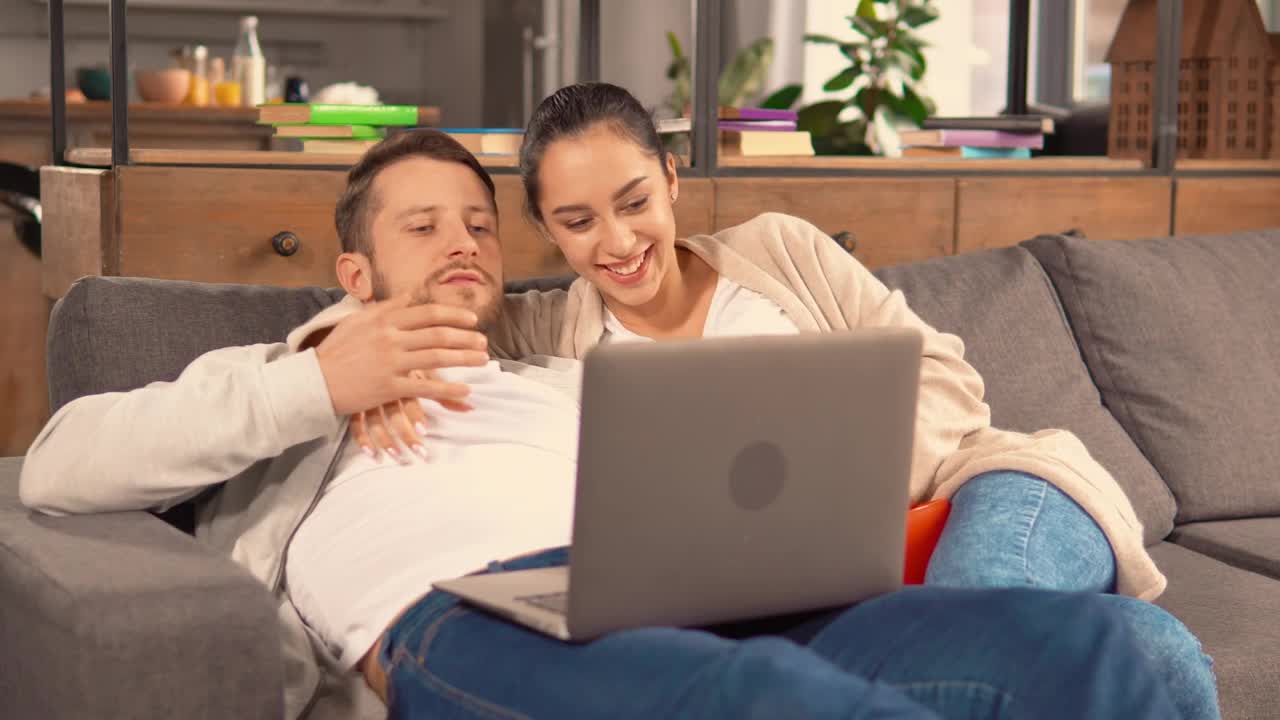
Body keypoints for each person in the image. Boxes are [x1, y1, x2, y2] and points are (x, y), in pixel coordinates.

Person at [21, 130, 1180, 720]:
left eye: (478, 222)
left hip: (701, 595)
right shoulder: (275, 381)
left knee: (1106, 648)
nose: (464, 242)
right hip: (460, 610)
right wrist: (322, 381)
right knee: (767, 708)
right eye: (422, 227)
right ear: (354, 270)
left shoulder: (565, 364)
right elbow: (57, 467)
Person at [354, 84, 1218, 720]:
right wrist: (338, 363)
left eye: (634, 202)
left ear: (670, 179)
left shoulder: (779, 248)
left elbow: (949, 384)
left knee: (975, 620)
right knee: (1155, 655)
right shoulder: (544, 332)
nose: (617, 243)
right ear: (547, 230)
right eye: (578, 222)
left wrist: (847, 488)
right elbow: (403, 312)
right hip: (817, 583)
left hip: (984, 492)